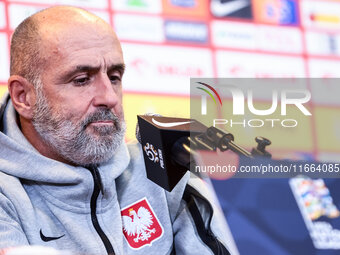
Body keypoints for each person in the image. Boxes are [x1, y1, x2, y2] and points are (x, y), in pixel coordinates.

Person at [0, 6, 231, 255]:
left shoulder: (162, 166)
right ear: (24, 97)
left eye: (114, 76)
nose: (109, 98)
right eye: (81, 80)